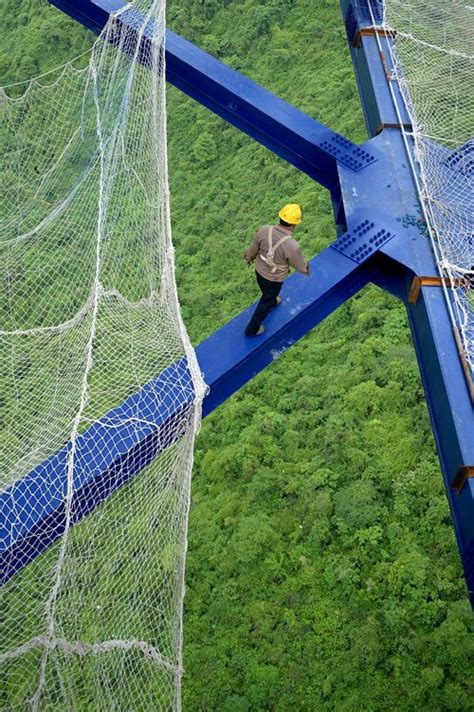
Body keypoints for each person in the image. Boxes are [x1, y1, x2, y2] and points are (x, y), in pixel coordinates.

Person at [243, 203, 310, 336]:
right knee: (266, 300)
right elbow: (299, 265)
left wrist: (249, 258)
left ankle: (273, 301)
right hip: (274, 279)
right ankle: (252, 329)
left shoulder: (264, 229)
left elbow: (253, 248)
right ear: (294, 224)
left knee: (267, 292)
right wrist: (306, 270)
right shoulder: (292, 245)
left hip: (259, 271)